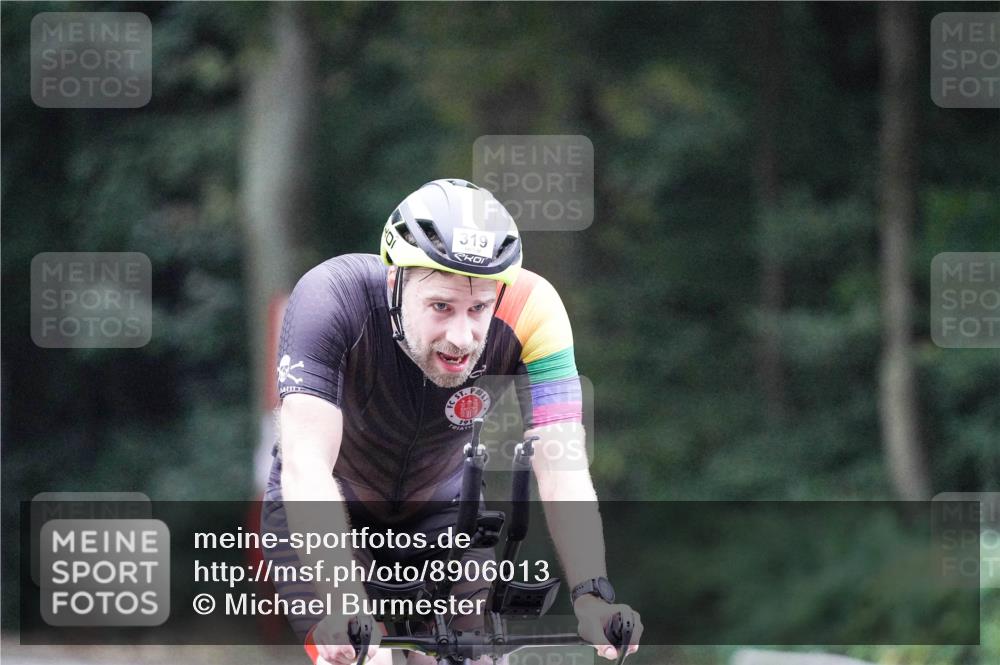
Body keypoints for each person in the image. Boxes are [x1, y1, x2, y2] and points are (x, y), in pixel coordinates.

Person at [263, 179, 642, 665]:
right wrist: (343, 602)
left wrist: (593, 596)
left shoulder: (535, 310)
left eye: (479, 308)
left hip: (445, 515)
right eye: (441, 306)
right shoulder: (331, 298)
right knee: (365, 657)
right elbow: (305, 466)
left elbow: (562, 462)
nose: (461, 336)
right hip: (331, 510)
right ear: (395, 282)